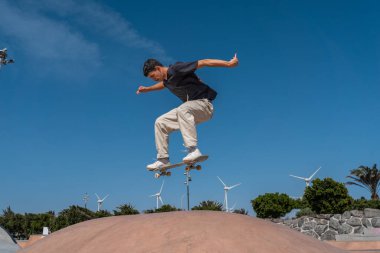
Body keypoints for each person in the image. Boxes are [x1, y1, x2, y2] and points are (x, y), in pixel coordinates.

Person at [137, 53, 238, 170]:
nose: (154, 79)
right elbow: (163, 85)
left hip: (204, 106)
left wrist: (229, 64)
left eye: (153, 76)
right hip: (190, 111)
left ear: (158, 68)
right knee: (160, 122)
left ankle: (193, 150)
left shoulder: (176, 69)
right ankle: (163, 160)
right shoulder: (167, 80)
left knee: (183, 108)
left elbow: (204, 62)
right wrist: (148, 89)